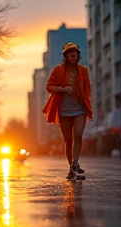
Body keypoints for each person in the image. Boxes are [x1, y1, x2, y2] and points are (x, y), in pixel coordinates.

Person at [43, 42, 93, 179]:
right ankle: (71, 169)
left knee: (78, 135)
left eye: (75, 53)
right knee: (68, 141)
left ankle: (75, 163)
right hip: (64, 111)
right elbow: (49, 86)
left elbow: (87, 90)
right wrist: (63, 89)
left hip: (79, 110)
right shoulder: (58, 70)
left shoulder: (83, 71)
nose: (73, 55)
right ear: (66, 55)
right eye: (70, 53)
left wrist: (87, 106)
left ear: (78, 56)